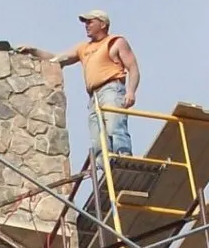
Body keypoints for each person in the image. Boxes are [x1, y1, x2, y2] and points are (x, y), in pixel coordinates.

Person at [39, 10, 140, 157]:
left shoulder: (115, 42)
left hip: (111, 89)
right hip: (94, 96)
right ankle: (105, 167)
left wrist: (131, 91)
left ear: (103, 24)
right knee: (98, 137)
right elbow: (57, 59)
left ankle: (123, 156)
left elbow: (133, 68)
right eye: (86, 22)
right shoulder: (84, 48)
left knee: (114, 126)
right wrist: (34, 51)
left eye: (90, 22)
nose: (86, 25)